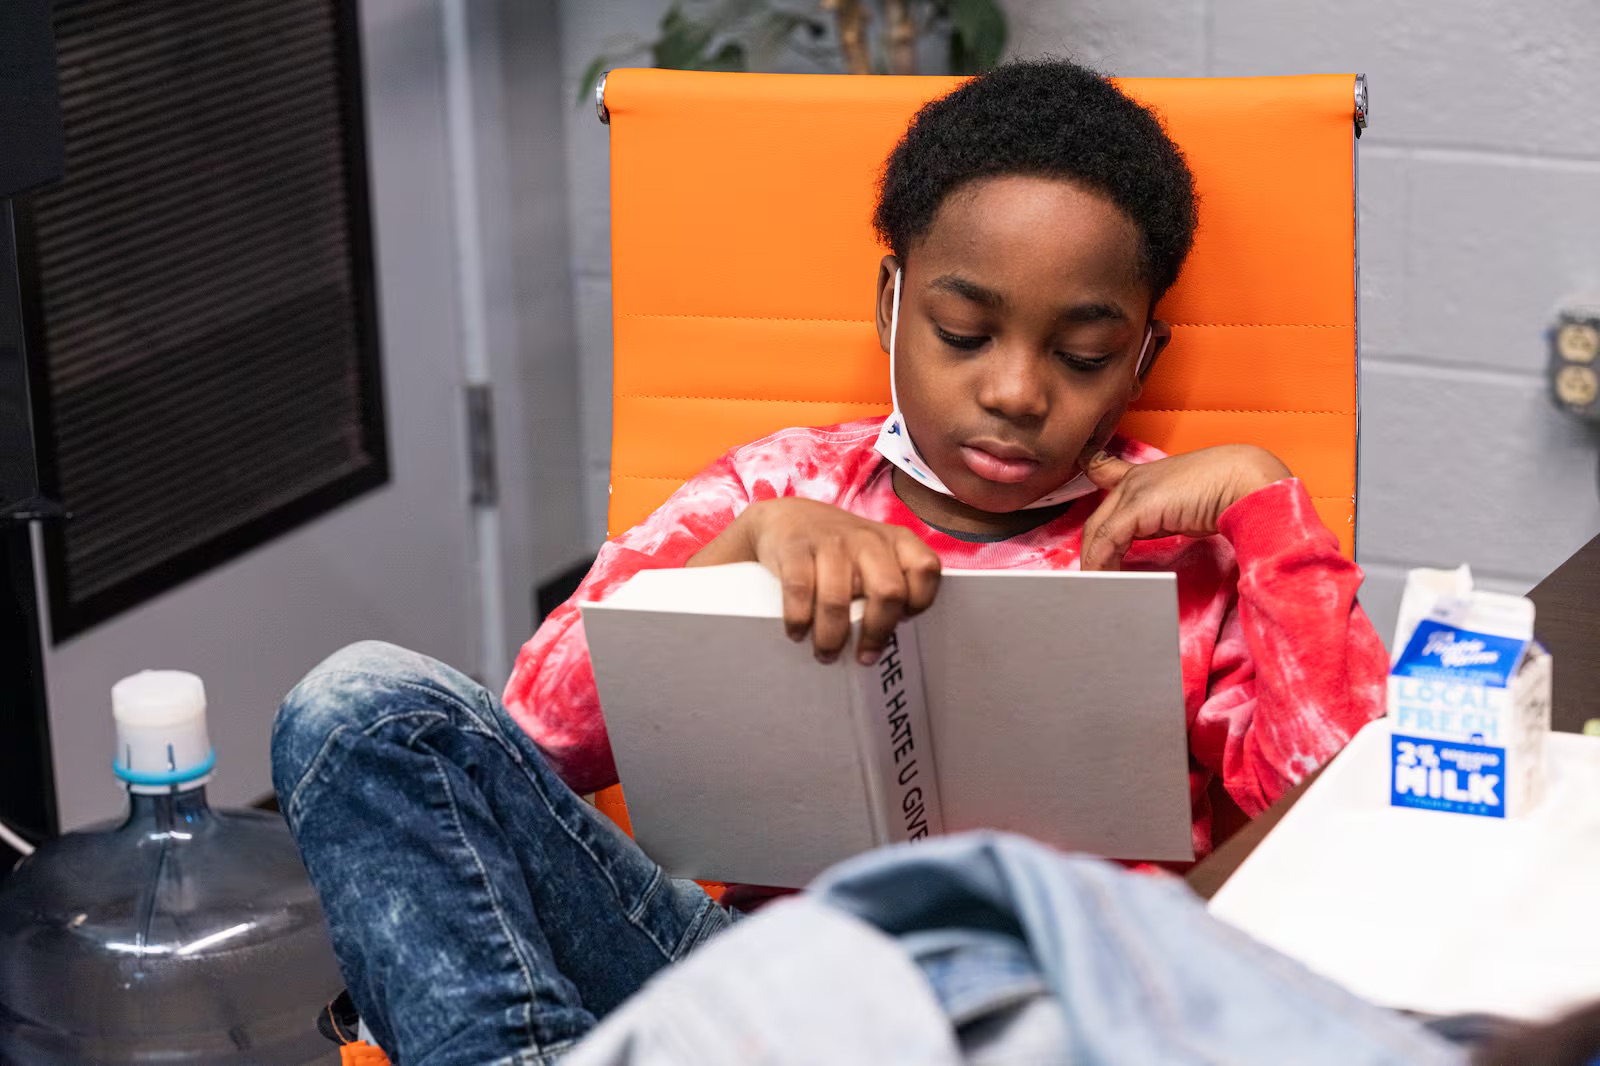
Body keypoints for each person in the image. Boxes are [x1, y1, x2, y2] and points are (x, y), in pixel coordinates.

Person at [273, 59, 1388, 1065]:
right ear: (892, 304)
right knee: (360, 703)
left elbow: (1347, 822)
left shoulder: (1194, 550)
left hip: (1052, 1013)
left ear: (1143, 353)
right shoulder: (778, 486)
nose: (1013, 391)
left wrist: (1261, 509)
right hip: (746, 980)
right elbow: (535, 735)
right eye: (963, 333)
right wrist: (735, 559)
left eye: (1083, 353)